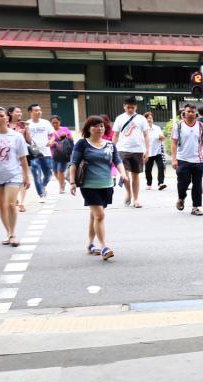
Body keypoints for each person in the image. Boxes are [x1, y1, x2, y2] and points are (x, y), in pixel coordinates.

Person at [69, 115, 128, 261]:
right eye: (95, 125)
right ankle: (104, 247)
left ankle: (90, 244)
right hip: (89, 186)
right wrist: (72, 182)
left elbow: (117, 160)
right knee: (100, 216)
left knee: (95, 215)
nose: (99, 128)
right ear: (88, 128)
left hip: (107, 184)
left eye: (101, 125)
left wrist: (123, 174)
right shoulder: (82, 144)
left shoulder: (109, 144)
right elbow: (74, 163)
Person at [0, 106, 31, 247]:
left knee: (10, 204)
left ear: (7, 118)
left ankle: (13, 234)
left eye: (1, 115)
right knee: (2, 207)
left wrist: (26, 176)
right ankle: (8, 233)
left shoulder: (16, 136)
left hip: (13, 175)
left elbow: (23, 158)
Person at [171, 104, 203, 216]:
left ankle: (196, 207)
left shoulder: (201, 126)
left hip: (198, 160)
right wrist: (174, 159)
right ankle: (181, 197)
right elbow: (174, 143)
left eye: (192, 112)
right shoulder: (178, 126)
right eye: (188, 111)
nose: (190, 113)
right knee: (183, 181)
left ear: (196, 113)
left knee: (197, 184)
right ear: (184, 112)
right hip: (182, 159)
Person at [112, 96, 150, 208]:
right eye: (128, 107)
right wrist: (112, 149)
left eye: (132, 107)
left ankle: (136, 199)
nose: (130, 109)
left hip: (138, 150)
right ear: (124, 106)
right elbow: (116, 135)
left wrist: (147, 151)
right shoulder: (119, 118)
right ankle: (128, 192)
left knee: (136, 175)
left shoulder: (141, 119)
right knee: (125, 175)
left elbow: (146, 135)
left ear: (136, 107)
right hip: (122, 149)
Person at [26, 103, 54, 202]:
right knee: (36, 174)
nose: (39, 112)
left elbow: (52, 135)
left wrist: (51, 141)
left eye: (40, 110)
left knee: (48, 174)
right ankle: (41, 194)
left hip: (46, 152)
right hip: (33, 151)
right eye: (36, 110)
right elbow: (26, 139)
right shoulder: (27, 124)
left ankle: (43, 186)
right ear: (30, 112)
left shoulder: (46, 123)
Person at [7, 106, 31, 212]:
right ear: (10, 113)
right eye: (17, 111)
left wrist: (26, 130)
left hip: (21, 155)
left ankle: (22, 202)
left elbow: (29, 141)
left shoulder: (23, 125)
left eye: (20, 111)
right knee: (11, 179)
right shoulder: (5, 124)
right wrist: (17, 134)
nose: (20, 113)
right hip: (8, 157)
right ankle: (15, 198)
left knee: (23, 179)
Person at [48, 115, 73, 194]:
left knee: (60, 171)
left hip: (63, 153)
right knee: (55, 171)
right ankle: (62, 182)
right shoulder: (50, 131)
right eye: (53, 123)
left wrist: (65, 136)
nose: (55, 124)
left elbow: (71, 140)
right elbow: (48, 144)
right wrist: (52, 143)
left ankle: (61, 187)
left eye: (56, 122)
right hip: (54, 154)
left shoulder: (65, 129)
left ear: (60, 122)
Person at [144, 111, 166, 190]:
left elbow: (162, 137)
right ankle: (149, 183)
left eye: (151, 118)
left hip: (158, 151)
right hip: (148, 152)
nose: (149, 120)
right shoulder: (143, 130)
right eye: (147, 118)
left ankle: (161, 183)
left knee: (161, 167)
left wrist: (162, 137)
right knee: (148, 169)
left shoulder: (157, 128)